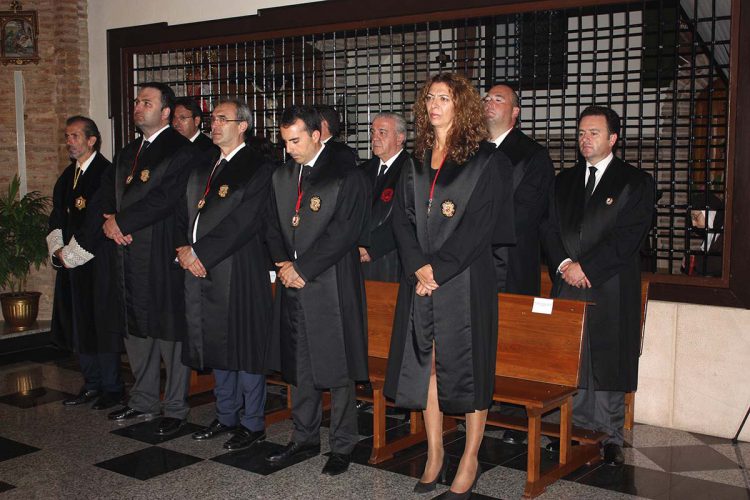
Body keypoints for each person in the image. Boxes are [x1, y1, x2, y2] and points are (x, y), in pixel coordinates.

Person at [384, 73, 515, 498]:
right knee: (429, 367)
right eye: (429, 98)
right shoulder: (415, 158)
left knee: (469, 368)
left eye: (444, 97)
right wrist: (418, 267)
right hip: (421, 277)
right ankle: (435, 453)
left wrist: (437, 271)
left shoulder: (486, 160)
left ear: (463, 106)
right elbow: (401, 220)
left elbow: (480, 227)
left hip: (464, 280)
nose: (434, 105)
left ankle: (471, 456)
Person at [542, 106, 655, 466]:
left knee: (607, 358)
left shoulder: (634, 181)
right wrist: (563, 264)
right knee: (570, 358)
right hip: (567, 280)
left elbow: (628, 237)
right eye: (581, 133)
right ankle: (569, 427)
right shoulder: (564, 181)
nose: (584, 139)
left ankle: (609, 435)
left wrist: (587, 267)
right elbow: (548, 227)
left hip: (609, 282)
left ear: (613, 139)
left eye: (593, 133)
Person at [265, 105, 369, 476]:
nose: (289, 148)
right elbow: (272, 223)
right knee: (300, 364)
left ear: (316, 135)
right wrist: (282, 264)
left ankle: (342, 444)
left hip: (331, 283)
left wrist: (303, 269)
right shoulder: (281, 176)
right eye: (284, 142)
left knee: (337, 365)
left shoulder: (346, 175)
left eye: (295, 141)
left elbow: (344, 231)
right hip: (292, 282)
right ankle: (304, 437)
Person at [96, 82, 199, 436]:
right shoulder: (128, 152)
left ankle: (175, 407)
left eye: (147, 102)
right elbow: (111, 196)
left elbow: (167, 198)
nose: (138, 107)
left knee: (168, 329)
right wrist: (111, 222)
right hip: (128, 250)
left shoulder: (180, 150)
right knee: (135, 326)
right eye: (137, 101)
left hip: (161, 249)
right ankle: (142, 399)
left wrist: (121, 222)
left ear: (166, 112)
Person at [176, 100, 274, 450]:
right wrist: (184, 249)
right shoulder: (205, 164)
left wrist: (200, 252)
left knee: (244, 344)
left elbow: (244, 222)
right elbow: (185, 212)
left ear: (243, 125)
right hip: (202, 266)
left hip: (240, 267)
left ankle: (252, 422)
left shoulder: (259, 167)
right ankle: (226, 414)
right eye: (213, 119)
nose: (214, 125)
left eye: (222, 119)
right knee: (215, 340)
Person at [483, 83, 555, 445]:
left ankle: (510, 416)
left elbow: (526, 213)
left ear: (515, 112)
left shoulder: (532, 155)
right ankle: (480, 406)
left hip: (511, 262)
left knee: (510, 341)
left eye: (499, 99)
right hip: (477, 264)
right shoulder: (473, 150)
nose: (489, 103)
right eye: (487, 98)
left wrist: (475, 229)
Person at [46, 116, 124, 410]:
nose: (70, 141)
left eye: (75, 136)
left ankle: (113, 388)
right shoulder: (68, 176)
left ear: (92, 140)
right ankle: (91, 383)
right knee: (79, 322)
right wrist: (57, 250)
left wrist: (73, 253)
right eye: (67, 136)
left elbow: (98, 220)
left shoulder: (105, 173)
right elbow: (57, 216)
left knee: (100, 323)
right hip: (70, 262)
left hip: (97, 260)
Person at [358, 112, 411, 282]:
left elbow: (409, 217)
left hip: (392, 257)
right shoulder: (362, 171)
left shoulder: (412, 170)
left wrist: (371, 246)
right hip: (356, 255)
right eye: (372, 132)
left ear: (400, 137)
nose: (374, 138)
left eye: (382, 132)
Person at [682, 191, 724, 277]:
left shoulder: (724, 235)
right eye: (692, 218)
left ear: (711, 214)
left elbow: (719, 264)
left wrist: (694, 260)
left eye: (696, 217)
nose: (693, 224)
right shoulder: (712, 234)